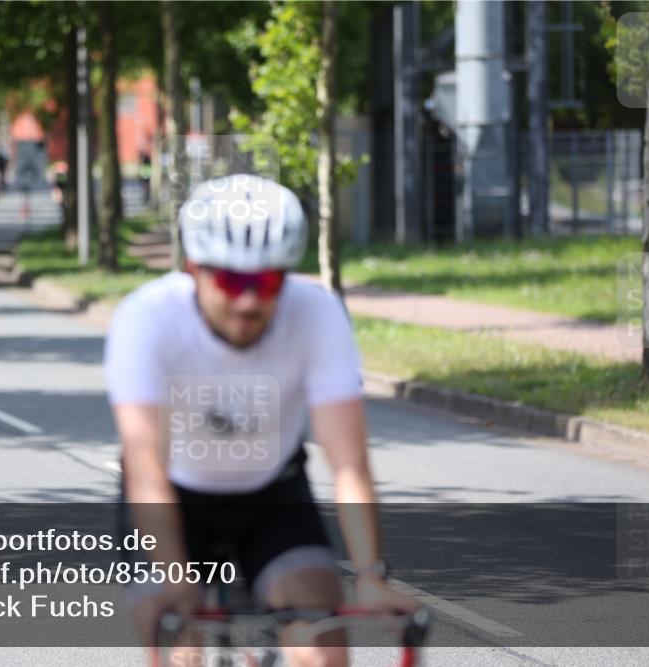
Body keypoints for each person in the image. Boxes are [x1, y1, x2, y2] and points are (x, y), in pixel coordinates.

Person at [104, 174, 418, 667]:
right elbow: (145, 465)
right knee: (173, 631)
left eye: (267, 281)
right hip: (174, 496)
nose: (249, 300)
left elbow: (349, 464)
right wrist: (175, 576)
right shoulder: (146, 318)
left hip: (271, 493)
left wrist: (370, 577)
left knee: (322, 642)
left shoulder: (316, 313)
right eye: (232, 281)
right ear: (193, 269)